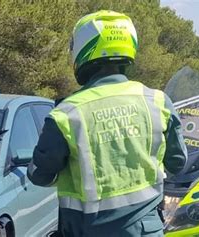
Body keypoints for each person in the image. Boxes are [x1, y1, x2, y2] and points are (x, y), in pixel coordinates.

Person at [27, 10, 187, 237]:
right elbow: (177, 162)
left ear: (82, 50)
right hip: (146, 231)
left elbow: (40, 175)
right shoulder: (158, 101)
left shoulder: (66, 113)